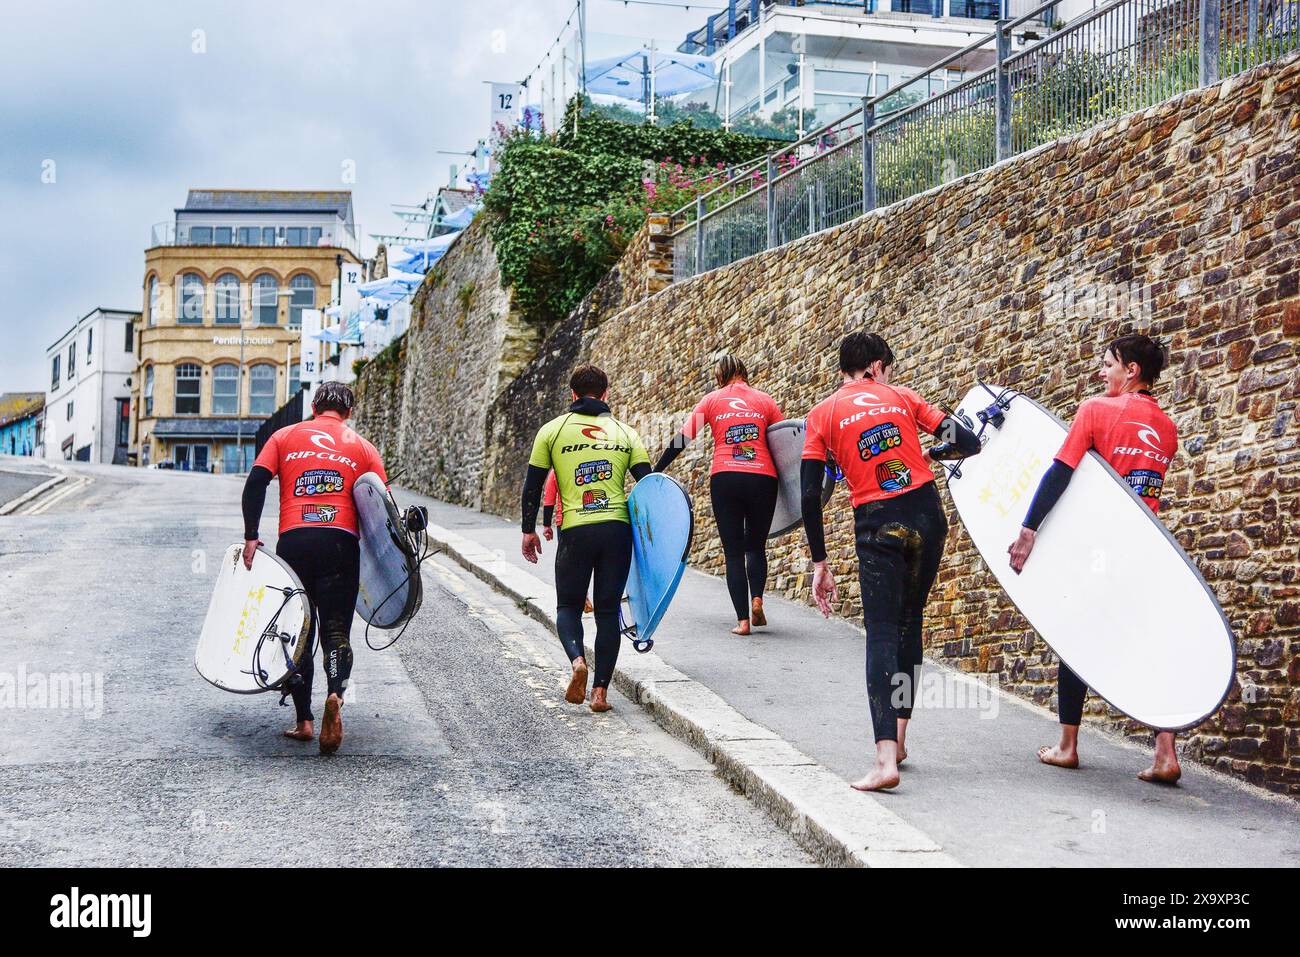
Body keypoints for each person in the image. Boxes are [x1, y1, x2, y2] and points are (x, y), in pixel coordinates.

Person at [801, 332, 981, 791]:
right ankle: (899, 738)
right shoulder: (901, 397)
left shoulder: (821, 415)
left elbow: (808, 494)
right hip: (925, 515)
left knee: (881, 631)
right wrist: (933, 452)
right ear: (878, 367)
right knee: (909, 621)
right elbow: (967, 440)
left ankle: (885, 762)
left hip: (877, 521)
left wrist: (820, 562)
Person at [1008, 334, 1181, 784]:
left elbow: (1060, 473)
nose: (1101, 373)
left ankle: (1067, 745)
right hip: (1149, 550)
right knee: (1150, 644)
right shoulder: (1166, 426)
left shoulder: (1096, 410)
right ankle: (1165, 753)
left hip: (1102, 548)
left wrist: (1028, 531)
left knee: (1075, 637)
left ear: (1132, 371)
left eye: (1108, 364)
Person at [241, 381, 388, 755]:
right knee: (336, 630)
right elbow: (382, 509)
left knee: (298, 630)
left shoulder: (285, 436)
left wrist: (251, 535)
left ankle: (304, 719)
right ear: (349, 412)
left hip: (295, 542)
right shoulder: (362, 447)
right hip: (340, 543)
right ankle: (336, 696)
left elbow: (256, 482)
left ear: (313, 405)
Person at [521, 364, 652, 713]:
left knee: (568, 606)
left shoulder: (552, 431)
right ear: (606, 393)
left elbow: (533, 485)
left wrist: (528, 529)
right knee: (608, 612)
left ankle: (578, 660)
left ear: (573, 395)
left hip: (576, 530)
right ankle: (600, 693)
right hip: (616, 529)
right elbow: (650, 485)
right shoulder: (626, 433)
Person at [654, 355, 783, 635]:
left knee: (733, 552)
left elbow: (683, 439)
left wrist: (657, 469)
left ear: (721, 375)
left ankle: (743, 622)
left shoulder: (711, 400)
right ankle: (757, 599)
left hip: (726, 477)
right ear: (743, 372)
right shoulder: (765, 400)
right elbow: (784, 443)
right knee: (756, 546)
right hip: (763, 476)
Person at [542, 470, 593, 614]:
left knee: (572, 565)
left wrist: (546, 525)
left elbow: (549, 498)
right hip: (590, 518)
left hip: (565, 522)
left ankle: (578, 599)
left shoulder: (556, 469)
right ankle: (585, 597)